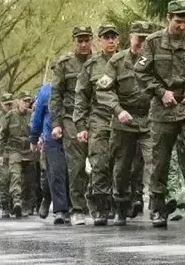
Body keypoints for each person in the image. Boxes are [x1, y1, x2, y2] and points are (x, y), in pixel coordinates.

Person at [135, 0, 185, 229]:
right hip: (163, 107)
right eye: (178, 21)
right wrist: (160, 91)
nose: (183, 26)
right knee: (160, 159)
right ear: (168, 18)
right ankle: (157, 206)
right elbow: (141, 72)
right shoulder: (153, 42)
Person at [100, 20, 155, 226]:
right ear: (131, 38)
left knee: (155, 160)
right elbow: (103, 90)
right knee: (122, 167)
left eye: (146, 40)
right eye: (139, 39)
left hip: (149, 119)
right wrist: (118, 110)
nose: (141, 43)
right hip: (124, 120)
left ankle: (158, 206)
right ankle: (120, 206)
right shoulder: (117, 61)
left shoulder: (155, 59)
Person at [74, 24, 122, 226]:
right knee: (100, 163)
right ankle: (101, 207)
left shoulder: (127, 61)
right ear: (100, 41)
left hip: (124, 119)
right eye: (106, 37)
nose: (110, 41)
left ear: (118, 40)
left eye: (113, 37)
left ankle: (120, 204)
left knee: (121, 165)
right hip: (99, 119)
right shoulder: (91, 66)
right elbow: (81, 97)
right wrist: (80, 126)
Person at [50, 26, 95, 225]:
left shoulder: (101, 61)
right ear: (74, 41)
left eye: (87, 40)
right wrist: (56, 123)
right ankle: (77, 209)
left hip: (97, 118)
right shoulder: (64, 64)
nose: (83, 44)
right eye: (80, 41)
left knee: (100, 163)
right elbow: (56, 95)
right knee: (76, 166)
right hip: (71, 119)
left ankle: (100, 205)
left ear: (92, 40)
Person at [30, 82, 70, 224]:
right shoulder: (46, 91)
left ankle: (71, 207)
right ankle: (59, 209)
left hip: (73, 136)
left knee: (70, 173)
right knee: (55, 173)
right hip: (51, 138)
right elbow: (38, 115)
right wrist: (34, 137)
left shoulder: (75, 86)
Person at [0, 92, 36, 218]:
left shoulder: (32, 114)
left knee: (29, 181)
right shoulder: (10, 115)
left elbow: (38, 130)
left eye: (28, 101)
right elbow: (2, 136)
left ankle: (25, 204)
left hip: (29, 151)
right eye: (24, 101)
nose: (26, 103)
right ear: (18, 101)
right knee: (15, 175)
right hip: (14, 150)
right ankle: (16, 201)